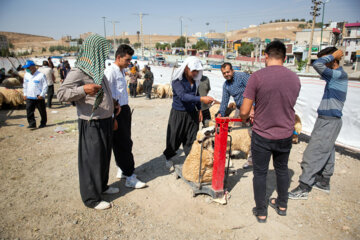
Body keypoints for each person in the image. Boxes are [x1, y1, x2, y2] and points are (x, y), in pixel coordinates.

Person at [240, 40, 301, 223]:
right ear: (284, 56)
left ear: (266, 56)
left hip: (262, 134)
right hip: (285, 134)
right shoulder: (295, 78)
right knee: (282, 170)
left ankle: (261, 212)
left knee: (260, 173)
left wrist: (248, 115)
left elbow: (243, 111)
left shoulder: (257, 77)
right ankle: (282, 205)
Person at [57, 34, 119, 210]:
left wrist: (112, 104)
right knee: (92, 160)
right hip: (91, 122)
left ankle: (102, 187)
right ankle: (91, 199)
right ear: (94, 50)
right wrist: (83, 89)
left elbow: (104, 93)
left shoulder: (98, 70)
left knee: (104, 157)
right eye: (102, 50)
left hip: (105, 120)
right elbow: (61, 94)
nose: (105, 54)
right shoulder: (79, 71)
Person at [289, 48, 347, 200]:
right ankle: (323, 181)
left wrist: (331, 56)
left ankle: (304, 187)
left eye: (328, 60)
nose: (325, 63)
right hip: (328, 120)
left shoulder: (338, 75)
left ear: (333, 60)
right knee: (327, 150)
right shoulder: (334, 76)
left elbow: (317, 65)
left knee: (313, 153)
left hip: (329, 121)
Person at [104, 44, 146, 189]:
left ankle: (122, 168)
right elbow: (106, 95)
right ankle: (130, 176)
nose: (129, 63)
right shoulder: (110, 72)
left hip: (124, 109)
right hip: (116, 112)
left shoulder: (121, 71)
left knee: (122, 142)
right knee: (124, 143)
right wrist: (113, 116)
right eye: (127, 60)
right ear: (118, 57)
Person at [163, 57, 214, 169]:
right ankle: (168, 157)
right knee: (174, 136)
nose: (195, 73)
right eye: (193, 70)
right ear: (186, 68)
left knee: (191, 137)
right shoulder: (177, 81)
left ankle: (189, 158)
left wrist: (199, 109)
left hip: (192, 113)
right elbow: (183, 96)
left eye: (197, 71)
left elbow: (195, 96)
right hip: (179, 113)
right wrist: (202, 99)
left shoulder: (195, 81)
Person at [218, 62, 253, 169]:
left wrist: (253, 107)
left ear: (232, 70)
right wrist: (221, 113)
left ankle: (252, 159)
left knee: (253, 132)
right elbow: (224, 101)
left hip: (251, 106)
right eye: (224, 73)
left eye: (228, 72)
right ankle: (234, 149)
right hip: (239, 107)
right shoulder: (226, 85)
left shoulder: (242, 76)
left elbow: (254, 89)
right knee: (235, 130)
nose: (226, 74)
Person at [23, 60, 48, 129]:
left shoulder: (41, 75)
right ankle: (32, 124)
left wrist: (42, 95)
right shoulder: (26, 75)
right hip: (29, 96)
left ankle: (43, 123)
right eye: (26, 68)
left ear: (33, 67)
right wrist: (25, 94)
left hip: (38, 97)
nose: (27, 69)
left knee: (42, 111)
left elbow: (45, 86)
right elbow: (25, 85)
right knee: (29, 111)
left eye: (28, 67)